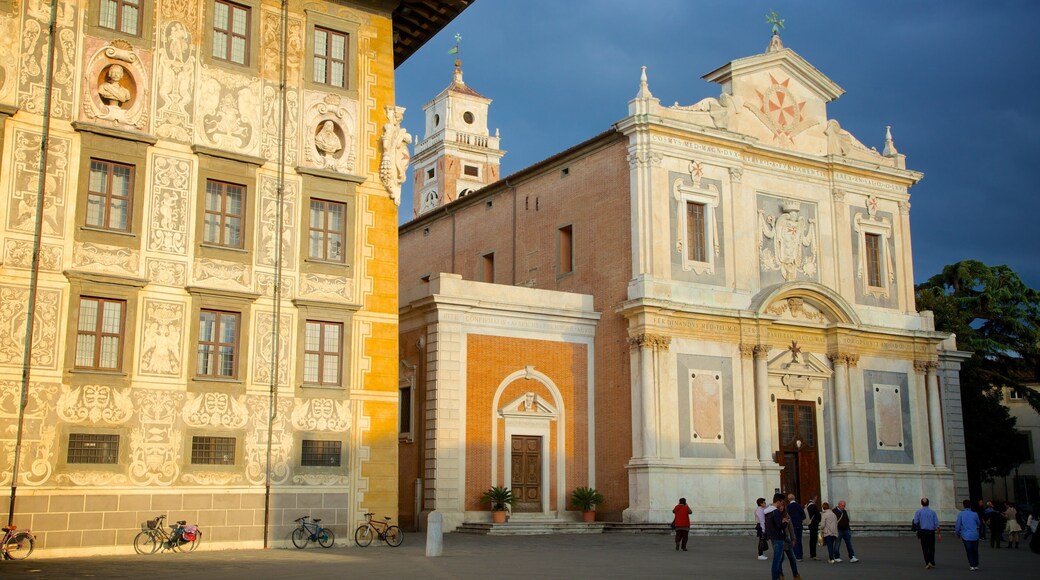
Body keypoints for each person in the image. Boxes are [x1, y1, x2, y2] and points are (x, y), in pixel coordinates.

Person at [764, 493, 797, 580]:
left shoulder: (768, 512)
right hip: (779, 538)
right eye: (781, 502)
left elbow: (768, 526)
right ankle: (776, 577)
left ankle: (779, 576)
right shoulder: (776, 512)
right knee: (777, 560)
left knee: (778, 559)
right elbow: (779, 526)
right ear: (778, 501)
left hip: (773, 537)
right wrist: (785, 522)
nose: (782, 504)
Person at [913, 497, 940, 569]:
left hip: (923, 532)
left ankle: (927, 562)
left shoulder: (918, 512)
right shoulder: (932, 512)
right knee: (931, 548)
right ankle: (932, 561)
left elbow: (915, 522)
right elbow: (936, 523)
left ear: (921, 504)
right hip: (931, 532)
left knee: (925, 548)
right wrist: (939, 533)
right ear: (928, 503)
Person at [955, 498, 982, 571]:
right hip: (974, 534)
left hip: (966, 535)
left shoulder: (961, 514)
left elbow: (958, 525)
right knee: (975, 550)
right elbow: (979, 523)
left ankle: (972, 564)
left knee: (969, 550)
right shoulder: (975, 514)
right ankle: (976, 564)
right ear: (970, 505)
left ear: (963, 505)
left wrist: (957, 533)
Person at [786, 494, 805, 561]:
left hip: (793, 526)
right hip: (799, 525)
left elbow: (787, 516)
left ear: (788, 499)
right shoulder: (799, 505)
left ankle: (797, 555)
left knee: (794, 540)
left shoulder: (788, 507)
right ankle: (801, 554)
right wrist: (800, 520)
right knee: (799, 540)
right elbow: (803, 515)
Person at [805, 496, 821, 560]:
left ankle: (812, 553)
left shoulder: (807, 505)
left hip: (810, 523)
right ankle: (813, 554)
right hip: (814, 524)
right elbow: (818, 515)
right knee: (814, 539)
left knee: (812, 539)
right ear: (814, 498)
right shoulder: (814, 506)